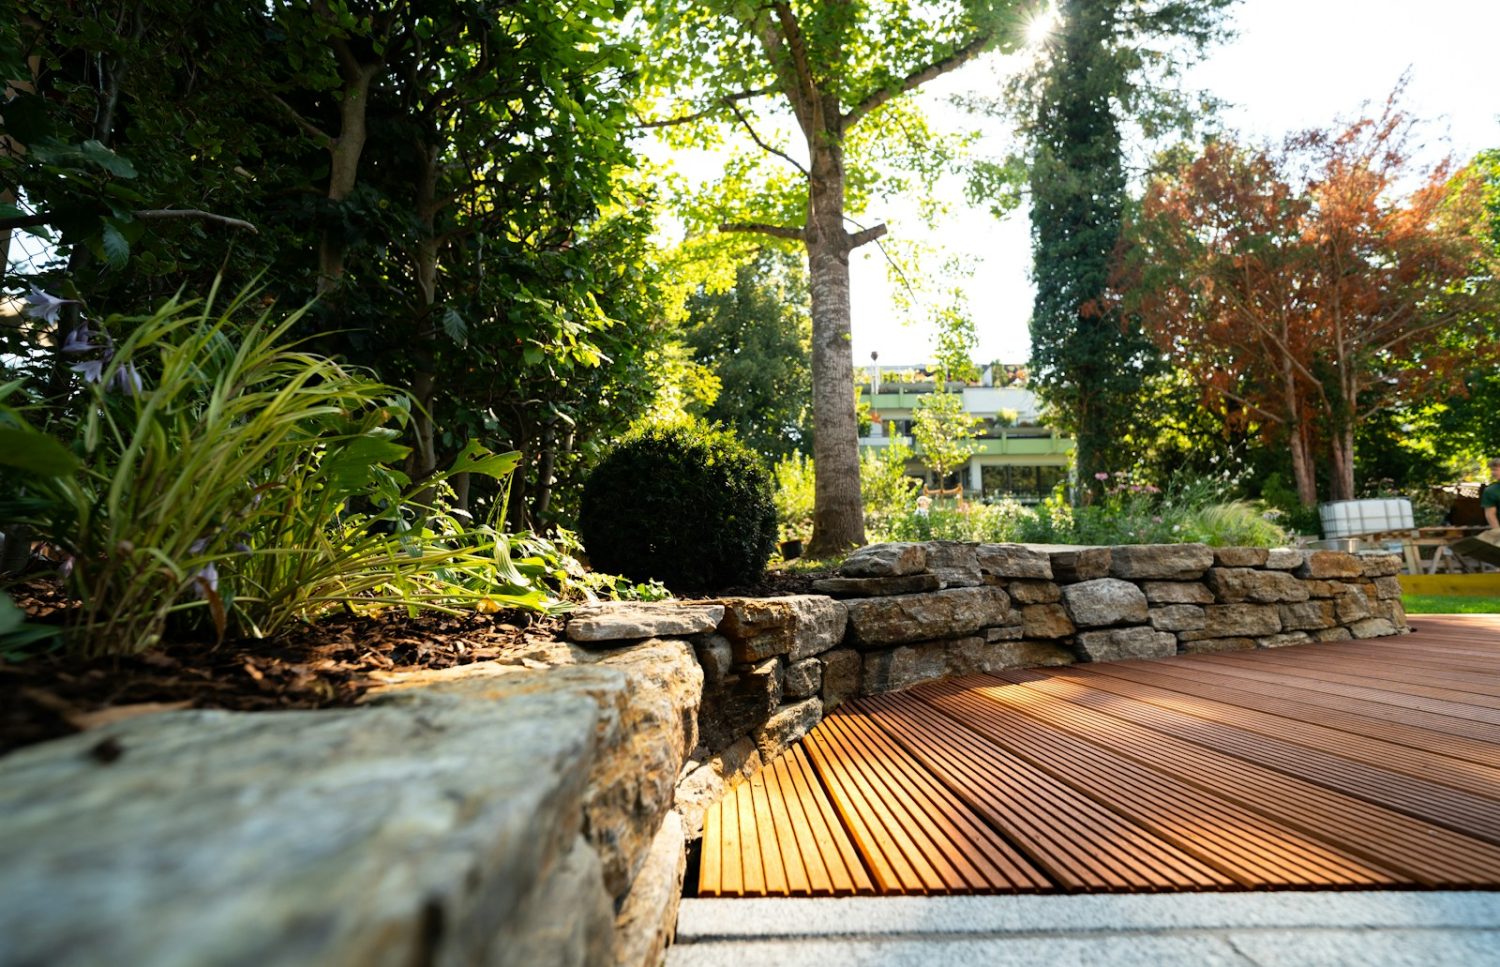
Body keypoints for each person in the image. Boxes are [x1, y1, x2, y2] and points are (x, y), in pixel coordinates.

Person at [1483, 458, 1500, 530]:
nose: (1493, 473)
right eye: (1491, 470)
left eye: (1495, 469)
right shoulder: (1490, 491)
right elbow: (1490, 515)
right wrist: (1498, 533)